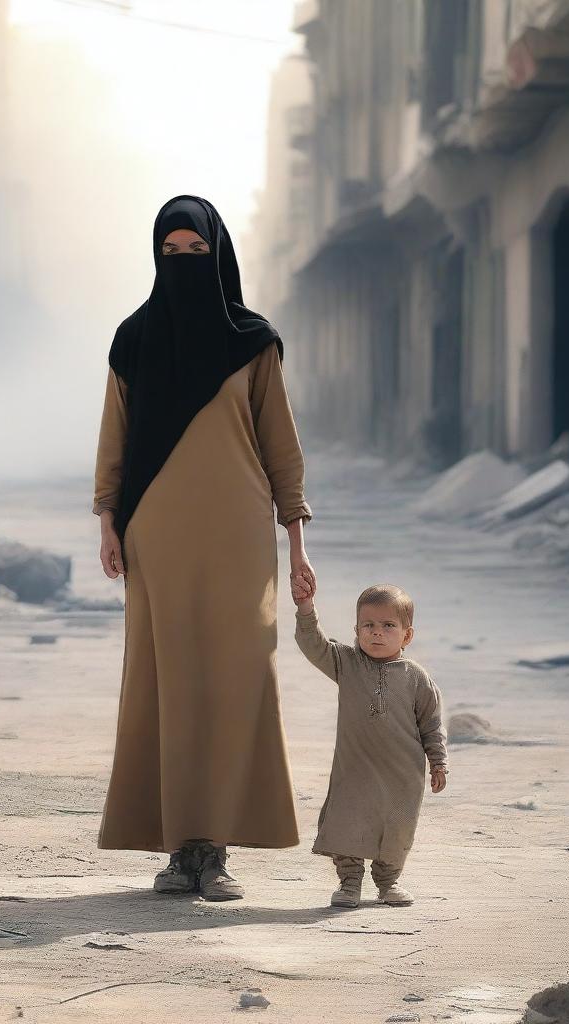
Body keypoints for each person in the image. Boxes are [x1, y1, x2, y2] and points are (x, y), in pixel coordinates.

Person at [93, 195, 315, 901]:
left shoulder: (253, 342)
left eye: (196, 252)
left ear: (216, 254)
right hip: (155, 533)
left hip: (241, 536)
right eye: (172, 252)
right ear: (156, 255)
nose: (184, 263)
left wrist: (298, 543)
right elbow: (115, 439)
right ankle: (178, 851)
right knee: (168, 685)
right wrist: (107, 520)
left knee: (235, 680)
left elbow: (281, 448)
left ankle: (215, 850)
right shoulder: (133, 338)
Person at [292, 581, 448, 908]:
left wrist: (438, 762)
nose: (376, 633)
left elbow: (432, 723)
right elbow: (312, 644)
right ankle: (349, 882)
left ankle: (388, 882)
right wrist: (306, 607)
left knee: (397, 828)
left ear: (407, 635)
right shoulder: (347, 663)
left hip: (402, 776)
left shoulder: (415, 677)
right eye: (369, 625)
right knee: (347, 821)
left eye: (388, 626)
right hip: (355, 771)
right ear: (357, 629)